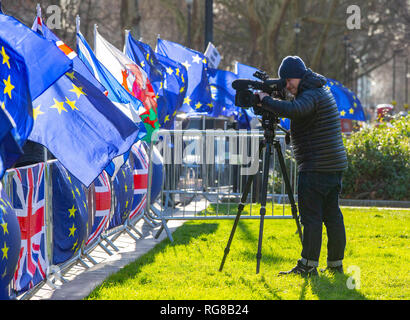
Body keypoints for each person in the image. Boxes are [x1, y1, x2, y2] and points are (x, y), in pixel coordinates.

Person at [256, 56, 348, 276]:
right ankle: (335, 264)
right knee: (332, 215)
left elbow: (295, 111)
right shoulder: (317, 88)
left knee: (312, 217)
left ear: (299, 74)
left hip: (317, 165)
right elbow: (298, 110)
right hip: (331, 164)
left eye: (289, 80)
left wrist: (264, 100)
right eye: (285, 81)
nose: (288, 85)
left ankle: (307, 265)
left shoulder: (311, 94)